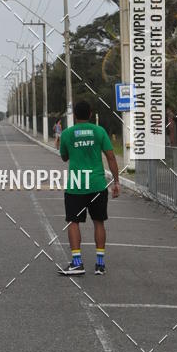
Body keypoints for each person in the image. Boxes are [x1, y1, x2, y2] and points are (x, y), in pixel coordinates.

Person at [57, 100, 120, 276]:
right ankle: (100, 264)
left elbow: (64, 157)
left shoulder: (67, 134)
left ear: (75, 115)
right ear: (90, 114)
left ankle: (77, 263)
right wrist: (116, 182)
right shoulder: (99, 131)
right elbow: (111, 157)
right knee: (99, 222)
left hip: (76, 184)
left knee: (73, 222)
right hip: (97, 183)